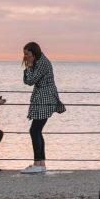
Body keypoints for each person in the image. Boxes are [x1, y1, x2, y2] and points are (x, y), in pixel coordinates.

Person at [21, 41, 65, 174]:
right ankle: (40, 163)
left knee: (34, 130)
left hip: (45, 98)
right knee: (37, 130)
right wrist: (29, 66)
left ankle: (38, 163)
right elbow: (28, 81)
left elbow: (30, 81)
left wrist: (28, 66)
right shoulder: (39, 62)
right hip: (43, 97)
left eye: (27, 54)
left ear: (34, 53)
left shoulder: (42, 63)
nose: (25, 57)